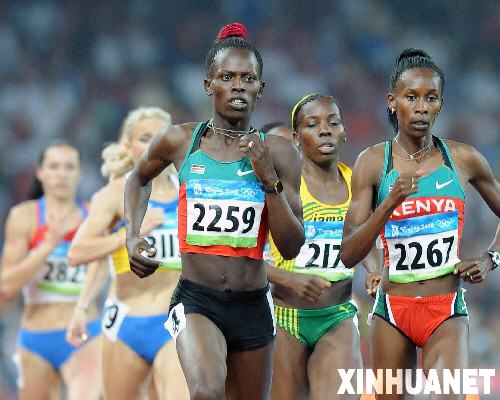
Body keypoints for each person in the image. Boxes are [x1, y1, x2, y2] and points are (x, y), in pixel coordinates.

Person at [124, 23, 304, 400]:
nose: (238, 86)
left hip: (253, 304)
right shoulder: (178, 141)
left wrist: (269, 179)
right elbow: (137, 179)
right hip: (196, 299)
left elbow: (290, 247)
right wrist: (132, 235)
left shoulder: (281, 153)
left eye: (247, 78)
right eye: (227, 77)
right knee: (206, 392)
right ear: (209, 85)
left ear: (261, 88)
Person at [340, 49, 500, 398]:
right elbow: (349, 252)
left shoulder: (463, 159)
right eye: (411, 97)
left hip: (446, 309)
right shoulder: (371, 163)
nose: (422, 107)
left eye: (431, 98)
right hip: (392, 312)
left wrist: (490, 259)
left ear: (441, 103)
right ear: (393, 101)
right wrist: (388, 205)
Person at [67, 107, 188, 400]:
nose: (153, 144)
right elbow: (79, 253)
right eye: (144, 137)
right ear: (127, 146)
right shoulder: (113, 196)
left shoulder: (191, 190)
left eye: (160, 137)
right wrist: (131, 234)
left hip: (175, 318)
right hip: (124, 322)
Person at [267, 94, 381, 400]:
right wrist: (288, 278)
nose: (325, 130)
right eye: (313, 124)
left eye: (333, 123)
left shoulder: (355, 182)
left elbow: (362, 239)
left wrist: (374, 271)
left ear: (344, 131)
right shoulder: (282, 186)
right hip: (284, 317)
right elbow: (243, 258)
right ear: (296, 137)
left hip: (337, 316)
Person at [0, 141, 101, 400]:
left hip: (85, 333)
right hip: (37, 339)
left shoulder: (95, 216)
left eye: (69, 167)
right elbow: (6, 287)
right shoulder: (25, 218)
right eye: (54, 167)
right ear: (40, 173)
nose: (61, 174)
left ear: (80, 173)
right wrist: (46, 249)